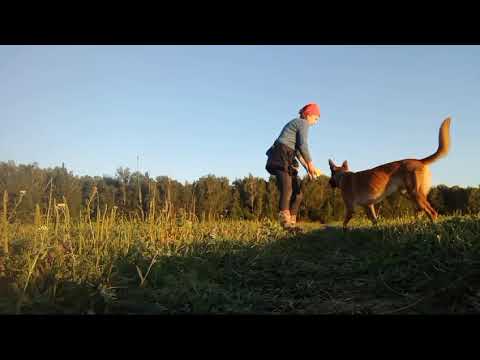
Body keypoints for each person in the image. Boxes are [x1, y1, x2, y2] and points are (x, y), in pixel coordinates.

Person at [265, 102, 321, 230]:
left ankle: (292, 223)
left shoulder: (299, 124)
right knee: (288, 189)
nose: (316, 122)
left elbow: (298, 152)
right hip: (281, 155)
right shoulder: (303, 123)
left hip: (288, 156)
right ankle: (284, 223)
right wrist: (310, 163)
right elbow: (303, 145)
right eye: (316, 118)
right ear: (309, 115)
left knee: (298, 193)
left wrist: (308, 168)